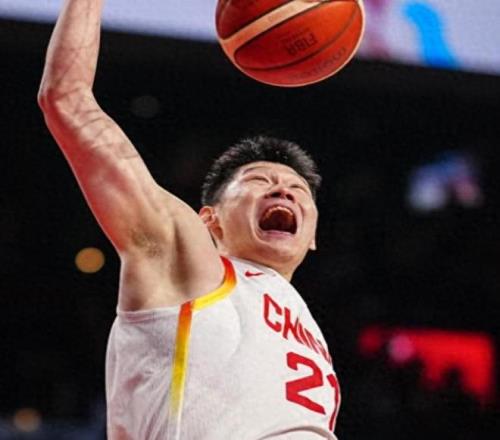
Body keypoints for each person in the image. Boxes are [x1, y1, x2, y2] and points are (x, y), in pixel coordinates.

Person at [38, 1, 340, 438]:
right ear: (209, 220)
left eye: (298, 190)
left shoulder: (308, 330)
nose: (282, 190)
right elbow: (66, 99)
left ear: (312, 236)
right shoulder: (185, 256)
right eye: (259, 180)